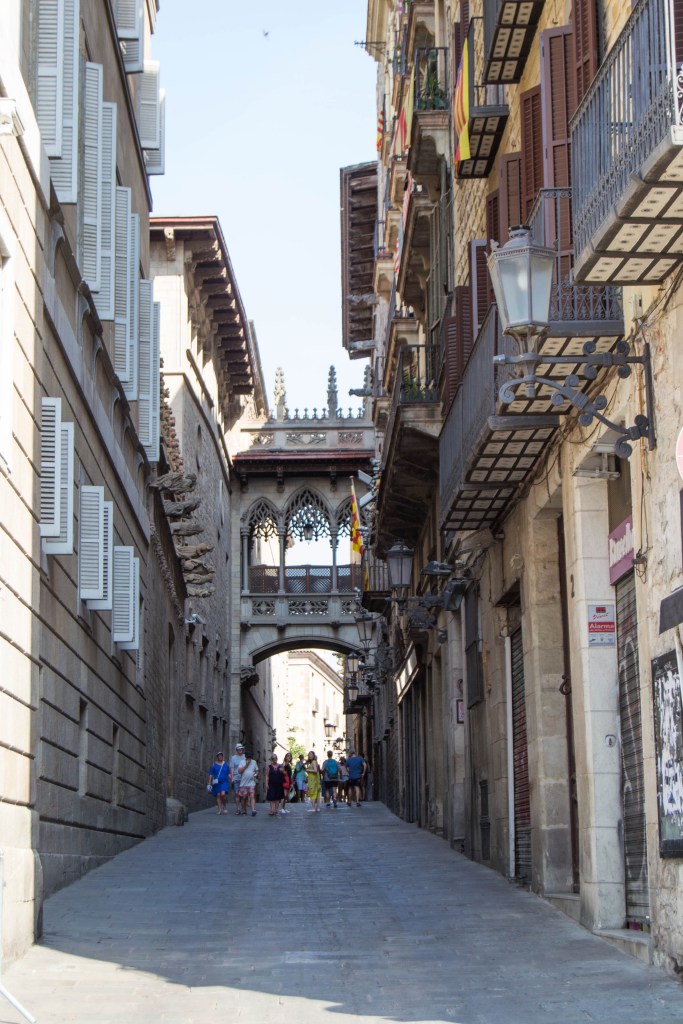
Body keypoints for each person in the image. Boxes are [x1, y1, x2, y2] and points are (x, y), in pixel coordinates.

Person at [238, 751, 259, 816]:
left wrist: (256, 774)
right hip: (244, 783)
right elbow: (239, 771)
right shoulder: (242, 762)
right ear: (245, 757)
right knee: (244, 798)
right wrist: (246, 765)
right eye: (248, 757)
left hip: (251, 783)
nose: (249, 758)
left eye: (250, 757)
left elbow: (257, 770)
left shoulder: (254, 762)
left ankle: (253, 810)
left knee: (252, 796)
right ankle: (244, 810)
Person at [229, 742, 246, 815]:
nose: (240, 750)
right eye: (239, 749)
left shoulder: (245, 757)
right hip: (236, 777)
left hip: (244, 778)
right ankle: (238, 809)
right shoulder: (233, 758)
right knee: (237, 794)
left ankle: (243, 808)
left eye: (241, 748)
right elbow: (232, 768)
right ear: (236, 750)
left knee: (243, 795)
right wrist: (232, 778)